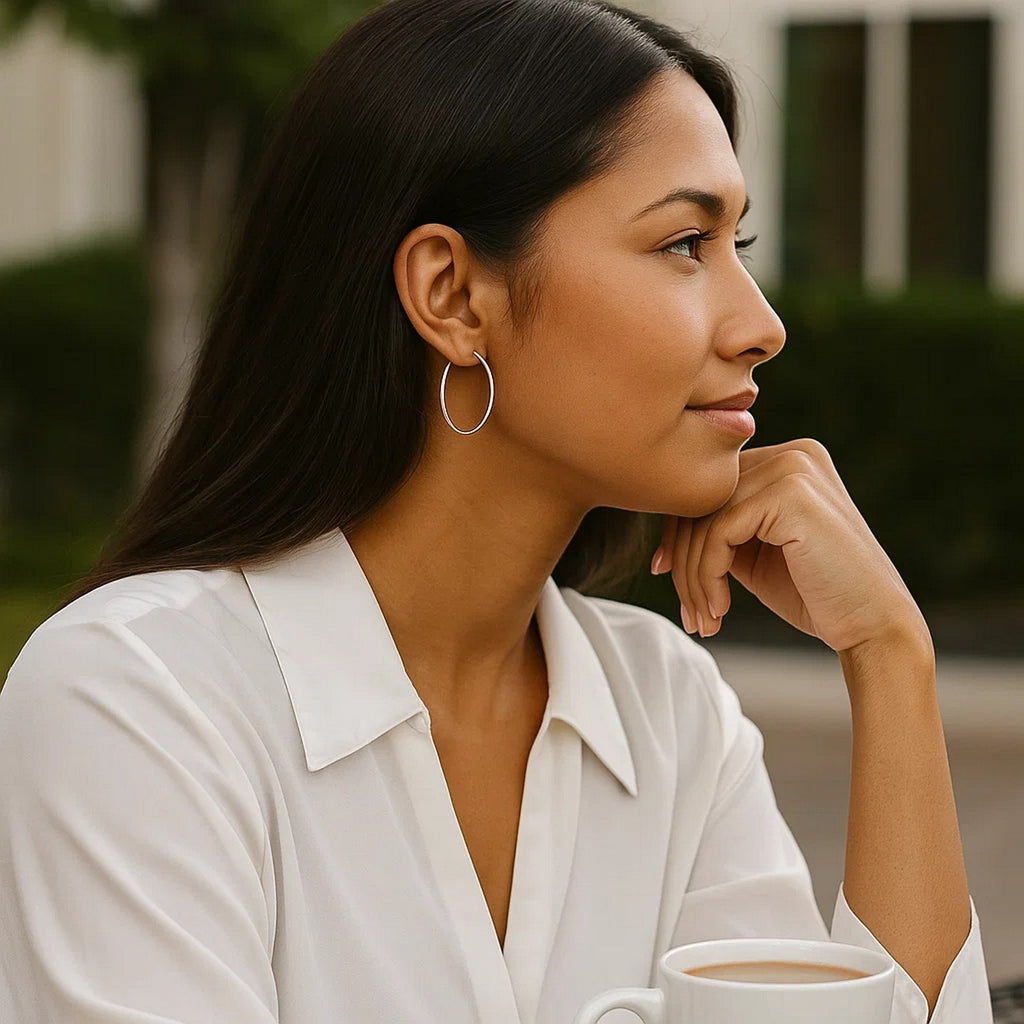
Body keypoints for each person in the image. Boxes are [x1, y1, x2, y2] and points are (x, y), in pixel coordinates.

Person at [0, 1, 993, 1022]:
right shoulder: (139, 702)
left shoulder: (670, 717)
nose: (761, 325)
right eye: (684, 243)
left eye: (735, 242)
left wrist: (889, 655)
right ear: (452, 294)